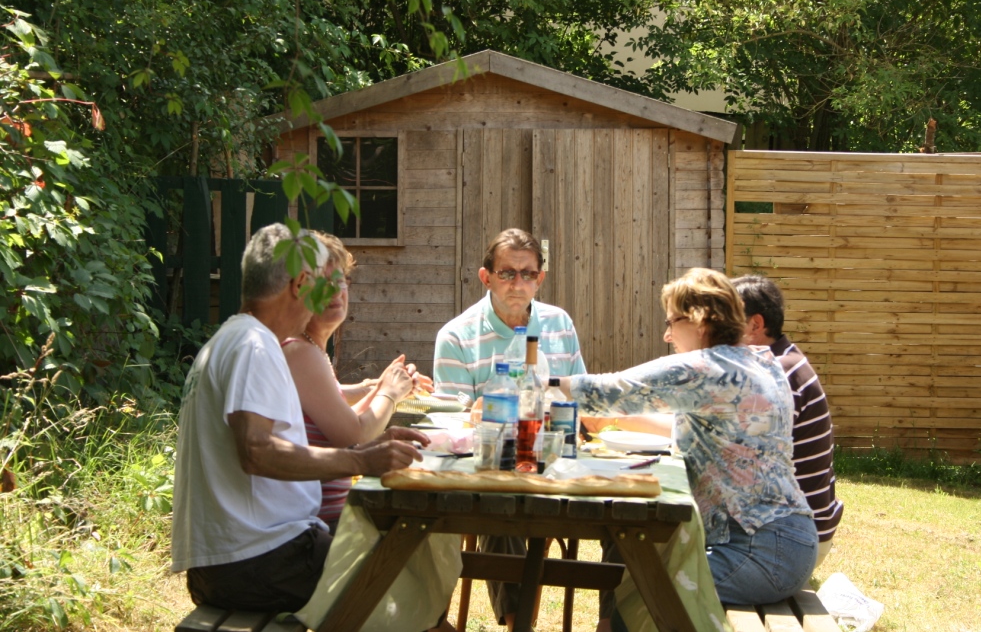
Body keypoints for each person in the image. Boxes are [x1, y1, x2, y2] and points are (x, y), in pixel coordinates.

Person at [171, 223, 428, 613]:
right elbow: (256, 450)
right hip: (263, 559)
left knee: (403, 574)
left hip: (237, 560)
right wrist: (361, 459)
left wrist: (371, 447)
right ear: (300, 283)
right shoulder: (254, 346)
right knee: (409, 593)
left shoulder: (231, 339)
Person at [560, 268, 817, 617]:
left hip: (759, 549)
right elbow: (704, 429)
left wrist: (523, 384)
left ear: (698, 319)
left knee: (644, 593)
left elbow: (608, 390)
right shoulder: (758, 362)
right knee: (635, 577)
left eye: (671, 322)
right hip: (783, 543)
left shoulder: (706, 368)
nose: (667, 335)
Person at [433, 227, 586, 630]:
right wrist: (480, 412)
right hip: (492, 474)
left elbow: (580, 403)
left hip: (557, 466)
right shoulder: (456, 337)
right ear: (486, 277)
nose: (518, 283)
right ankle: (522, 626)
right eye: (507, 273)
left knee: (628, 524)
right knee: (503, 517)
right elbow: (452, 425)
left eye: (528, 274)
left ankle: (610, 623)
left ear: (541, 278)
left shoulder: (559, 324)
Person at [283, 232, 432, 532]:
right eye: (323, 283)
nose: (336, 292)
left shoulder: (312, 349)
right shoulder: (299, 351)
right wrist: (388, 393)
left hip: (327, 516)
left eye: (340, 281)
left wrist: (384, 388)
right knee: (422, 528)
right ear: (299, 288)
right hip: (314, 526)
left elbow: (343, 421)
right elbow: (356, 435)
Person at [731, 274, 843, 566]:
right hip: (798, 529)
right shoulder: (784, 361)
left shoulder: (778, 373)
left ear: (755, 325)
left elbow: (735, 454)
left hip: (794, 540)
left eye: (725, 320)